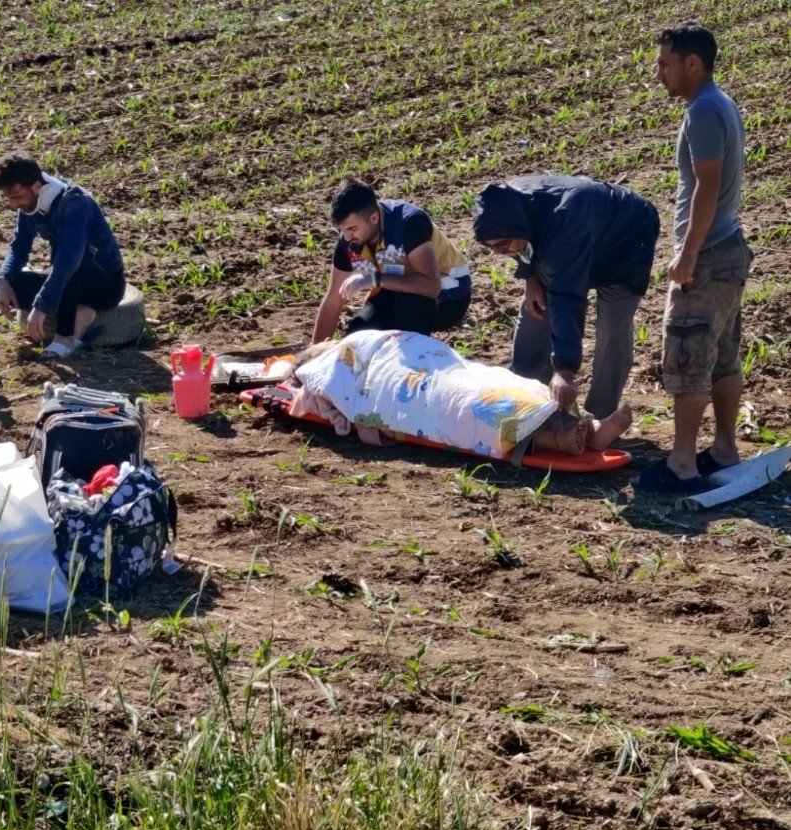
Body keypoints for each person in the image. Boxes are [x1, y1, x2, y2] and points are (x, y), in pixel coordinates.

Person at [637, 22, 751, 494]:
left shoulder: (703, 110)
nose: (658, 73)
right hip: (728, 249)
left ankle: (682, 463)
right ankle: (723, 448)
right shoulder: (720, 102)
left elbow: (707, 182)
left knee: (688, 354)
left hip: (706, 255)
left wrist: (687, 254)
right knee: (723, 355)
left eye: (665, 63)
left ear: (692, 64)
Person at [472, 174, 659, 419]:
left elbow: (568, 299)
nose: (499, 253)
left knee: (613, 328)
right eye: (491, 247)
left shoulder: (563, 225)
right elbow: (525, 245)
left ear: (517, 228)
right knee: (536, 306)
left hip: (627, 240)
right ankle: (524, 403)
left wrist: (565, 370)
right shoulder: (507, 204)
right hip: (577, 231)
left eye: (503, 245)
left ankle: (599, 417)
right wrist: (530, 276)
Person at [289, 329, 632, 459]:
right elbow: (325, 382)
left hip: (441, 364)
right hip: (414, 384)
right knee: (469, 403)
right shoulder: (331, 360)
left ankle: (589, 428)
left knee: (501, 383)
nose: (324, 342)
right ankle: (554, 439)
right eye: (318, 346)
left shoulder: (365, 336)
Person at [0, 153, 125, 361]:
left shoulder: (76, 204)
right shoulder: (29, 206)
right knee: (4, 283)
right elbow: (18, 250)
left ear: (36, 186)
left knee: (68, 260)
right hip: (68, 279)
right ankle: (81, 313)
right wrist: (2, 279)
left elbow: (68, 262)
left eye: (16, 196)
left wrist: (42, 305)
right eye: (8, 198)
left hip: (104, 285)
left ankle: (65, 337)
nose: (12, 204)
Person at [312, 178, 471, 343]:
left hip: (449, 296)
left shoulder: (409, 223)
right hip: (394, 289)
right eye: (342, 230)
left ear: (374, 218)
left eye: (352, 229)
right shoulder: (348, 241)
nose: (346, 237)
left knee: (406, 310)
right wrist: (314, 356)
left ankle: (418, 361)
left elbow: (431, 286)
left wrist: (375, 279)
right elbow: (332, 301)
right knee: (357, 338)